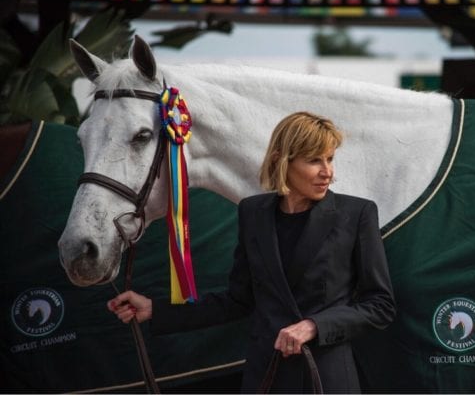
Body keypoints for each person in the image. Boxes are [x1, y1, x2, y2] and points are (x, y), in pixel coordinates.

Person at [107, 111, 396, 393]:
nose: (327, 172)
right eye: (314, 161)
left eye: (330, 159)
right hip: (266, 377)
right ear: (282, 161)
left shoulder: (356, 213)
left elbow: (380, 305)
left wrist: (314, 326)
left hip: (327, 379)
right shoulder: (253, 213)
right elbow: (238, 300)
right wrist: (156, 310)